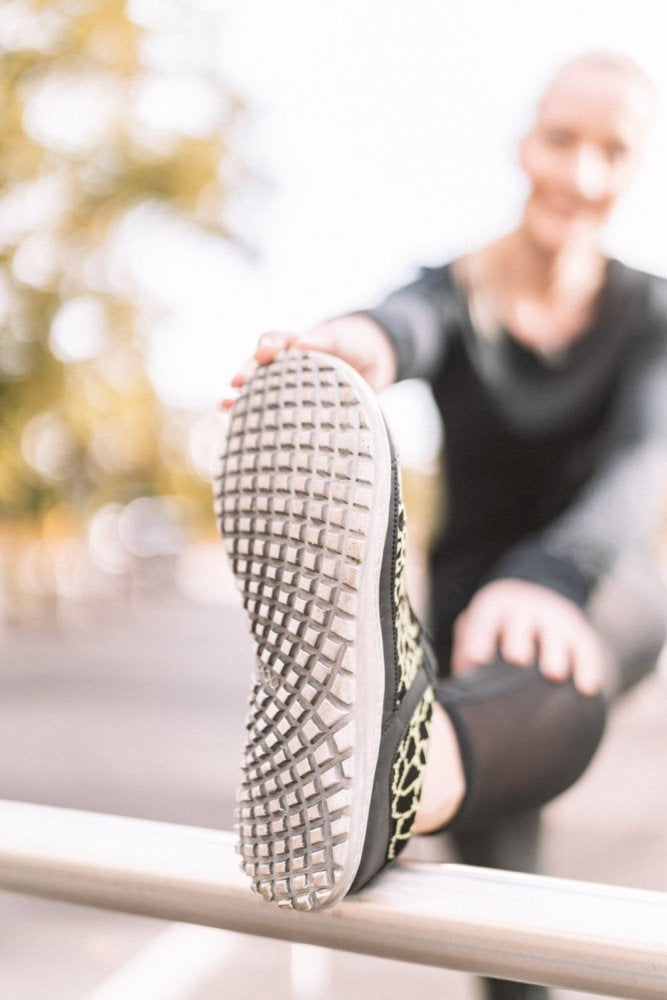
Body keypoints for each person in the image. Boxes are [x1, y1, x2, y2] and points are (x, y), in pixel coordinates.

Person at [217, 51, 667, 999]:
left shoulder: (651, 316)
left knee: (555, 653)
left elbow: (644, 458)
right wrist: (346, 352)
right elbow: (402, 324)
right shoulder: (456, 288)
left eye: (611, 150)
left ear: (635, 168)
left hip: (596, 581)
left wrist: (552, 573)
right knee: (506, 939)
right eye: (561, 139)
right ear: (523, 144)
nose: (580, 174)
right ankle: (408, 762)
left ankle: (404, 769)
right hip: (457, 624)